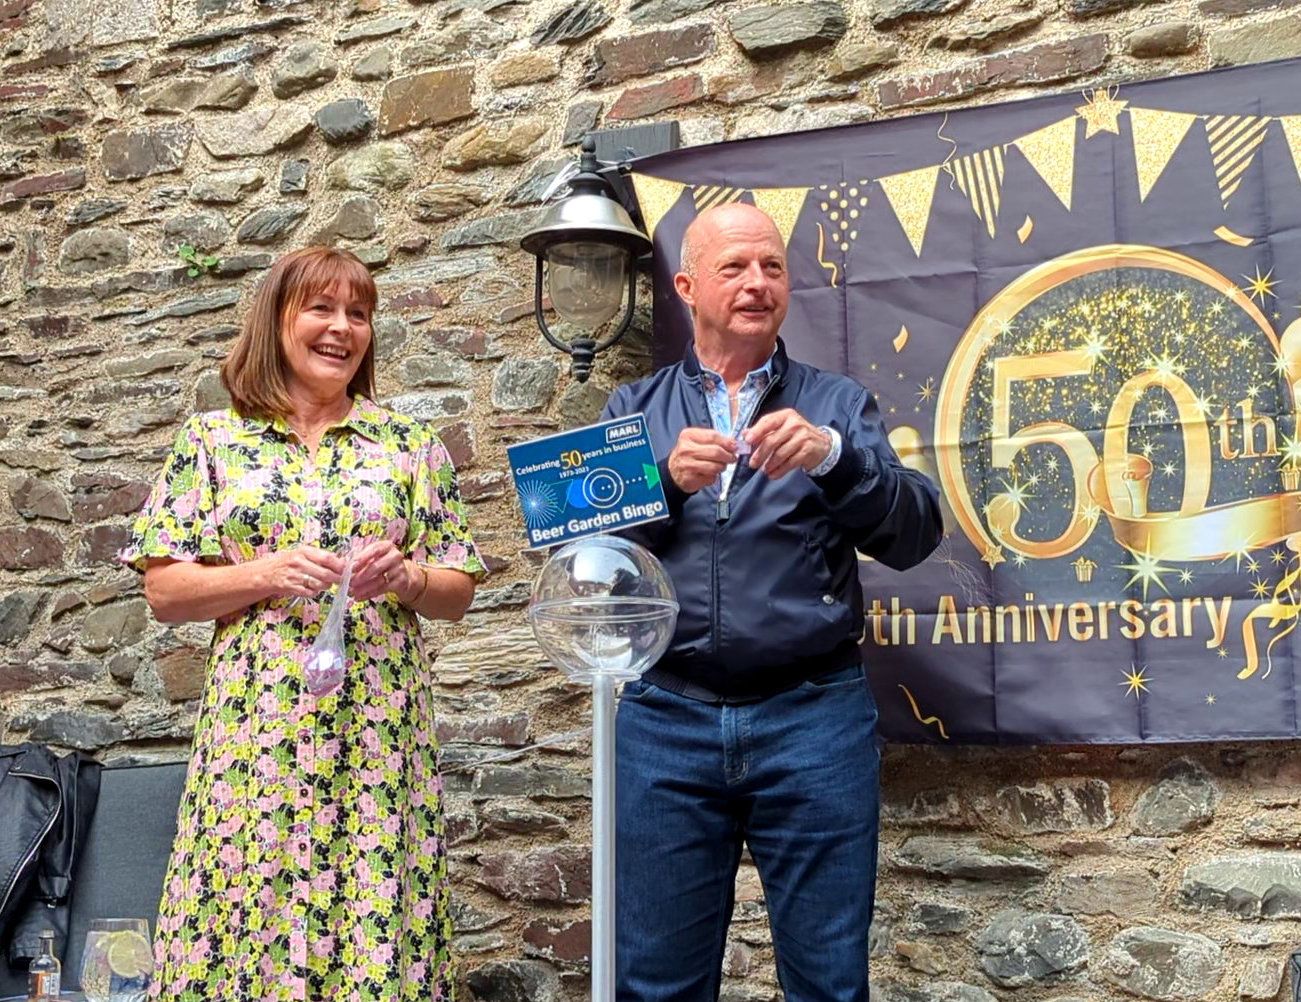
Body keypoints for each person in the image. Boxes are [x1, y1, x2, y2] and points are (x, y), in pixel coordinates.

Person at [120, 246, 484, 1002]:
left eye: (358, 313)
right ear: (277, 320)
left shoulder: (410, 447)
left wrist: (409, 578)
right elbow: (164, 592)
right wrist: (264, 574)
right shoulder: (211, 444)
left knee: (373, 922)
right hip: (255, 739)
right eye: (320, 308)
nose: (341, 328)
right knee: (247, 921)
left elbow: (456, 588)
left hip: (377, 737)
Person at [601, 202, 942, 1001]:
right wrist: (660, 484)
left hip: (811, 718)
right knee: (654, 983)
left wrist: (835, 460)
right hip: (663, 719)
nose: (757, 283)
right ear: (686, 285)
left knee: (826, 981)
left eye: (772, 267)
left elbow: (914, 533)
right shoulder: (631, 411)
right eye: (734, 267)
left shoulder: (836, 405)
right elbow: (577, 555)